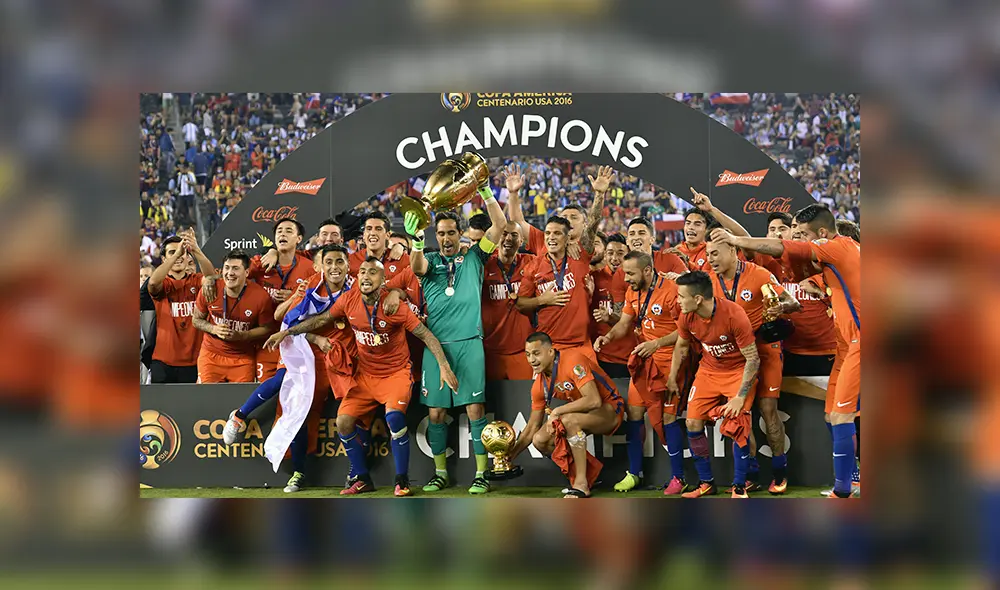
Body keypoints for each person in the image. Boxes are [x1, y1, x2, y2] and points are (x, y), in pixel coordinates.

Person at [270, 258, 457, 496]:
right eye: (363, 273)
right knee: (343, 422)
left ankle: (402, 480)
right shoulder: (349, 300)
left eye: (373, 273)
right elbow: (321, 319)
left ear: (383, 281)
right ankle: (362, 477)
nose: (366, 277)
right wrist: (286, 331)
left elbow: (426, 335)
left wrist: (444, 366)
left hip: (395, 374)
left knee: (395, 419)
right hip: (365, 375)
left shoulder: (395, 307)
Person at [710, 203, 860, 499]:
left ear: (820, 234)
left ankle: (844, 490)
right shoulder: (837, 261)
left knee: (843, 417)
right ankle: (853, 477)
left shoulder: (838, 247)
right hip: (845, 345)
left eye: (802, 234)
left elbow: (780, 246)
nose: (797, 238)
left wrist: (736, 240)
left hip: (859, 342)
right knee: (832, 415)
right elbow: (825, 285)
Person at [223, 245, 369, 492]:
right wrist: (316, 339)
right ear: (320, 266)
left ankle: (360, 472)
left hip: (341, 358)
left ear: (347, 265)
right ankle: (299, 472)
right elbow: (289, 320)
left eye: (339, 262)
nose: (334, 268)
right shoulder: (310, 286)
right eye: (329, 262)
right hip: (306, 353)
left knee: (358, 411)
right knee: (298, 412)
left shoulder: (357, 287)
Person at [405, 179, 506, 495]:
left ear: (459, 234)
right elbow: (416, 264)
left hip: (469, 345)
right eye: (441, 233)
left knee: (475, 410)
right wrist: (418, 240)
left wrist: (486, 191)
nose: (446, 238)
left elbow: (500, 226)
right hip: (437, 349)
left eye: (451, 232)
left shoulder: (475, 257)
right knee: (435, 414)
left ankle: (480, 474)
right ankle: (440, 473)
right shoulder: (430, 261)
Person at [704, 230, 800, 494]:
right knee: (742, 414)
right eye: (708, 254)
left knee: (768, 409)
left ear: (732, 252)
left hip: (764, 348)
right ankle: (751, 473)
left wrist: (781, 307)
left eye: (715, 254)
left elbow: (792, 302)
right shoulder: (709, 282)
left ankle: (780, 473)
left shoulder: (758, 274)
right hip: (735, 358)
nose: (710, 259)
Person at [594, 251, 688, 494]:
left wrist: (656, 344)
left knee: (668, 419)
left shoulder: (671, 291)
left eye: (631, 273)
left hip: (671, 363)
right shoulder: (632, 291)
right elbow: (625, 323)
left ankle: (679, 477)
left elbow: (686, 332)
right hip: (645, 364)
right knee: (634, 413)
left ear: (647, 271)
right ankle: (635, 473)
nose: (626, 278)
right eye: (625, 273)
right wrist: (608, 336)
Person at [666, 271, 761, 499]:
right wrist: (671, 377)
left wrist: (739, 396)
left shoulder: (733, 314)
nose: (677, 300)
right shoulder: (686, 316)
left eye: (681, 296)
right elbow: (681, 346)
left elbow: (753, 358)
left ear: (698, 299)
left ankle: (739, 486)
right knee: (692, 422)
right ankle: (706, 482)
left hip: (738, 370)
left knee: (738, 422)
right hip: (708, 370)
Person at [508, 332, 625, 498]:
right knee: (540, 440)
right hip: (583, 415)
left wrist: (557, 411)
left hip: (611, 409)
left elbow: (594, 400)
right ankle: (589, 475)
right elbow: (531, 428)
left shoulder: (573, 361)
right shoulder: (539, 385)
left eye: (536, 353)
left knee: (568, 420)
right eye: (527, 354)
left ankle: (581, 484)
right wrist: (509, 457)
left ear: (550, 351)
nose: (531, 360)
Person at [515, 166, 612, 361]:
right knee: (546, 392)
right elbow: (520, 304)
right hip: (547, 347)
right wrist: (543, 300)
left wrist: (599, 194)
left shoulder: (579, 255)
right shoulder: (534, 265)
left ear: (568, 238)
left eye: (557, 233)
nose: (551, 237)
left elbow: (592, 223)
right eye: (548, 233)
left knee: (590, 392)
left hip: (580, 345)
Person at [246, 219, 317, 381]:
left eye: (288, 231)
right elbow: (233, 276)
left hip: (295, 341)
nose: (283, 234)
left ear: (299, 239)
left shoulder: (309, 268)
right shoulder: (261, 263)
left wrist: (294, 298)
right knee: (265, 391)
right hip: (265, 341)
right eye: (279, 231)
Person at [192, 251, 276, 383]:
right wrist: (213, 329)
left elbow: (267, 328)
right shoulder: (210, 289)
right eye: (227, 268)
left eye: (235, 268)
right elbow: (196, 320)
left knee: (240, 402)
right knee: (206, 399)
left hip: (242, 358)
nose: (230, 273)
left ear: (247, 273)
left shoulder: (261, 296)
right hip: (211, 355)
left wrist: (243, 335)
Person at [147, 232, 216, 383]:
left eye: (182, 252)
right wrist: (176, 255)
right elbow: (152, 283)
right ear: (164, 259)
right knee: (160, 406)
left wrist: (196, 249)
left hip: (195, 360)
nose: (178, 256)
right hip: (163, 362)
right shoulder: (164, 283)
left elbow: (212, 278)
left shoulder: (196, 281)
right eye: (172, 252)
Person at [481, 219, 535, 381]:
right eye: (504, 234)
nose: (508, 239)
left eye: (514, 235)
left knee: (524, 403)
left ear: (522, 241)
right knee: (493, 404)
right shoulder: (483, 265)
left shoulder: (531, 263)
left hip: (523, 350)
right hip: (491, 350)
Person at [589, 233, 633, 378]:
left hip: (631, 354)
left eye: (620, 253)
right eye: (610, 253)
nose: (615, 258)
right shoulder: (594, 278)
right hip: (603, 356)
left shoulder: (635, 280)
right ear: (604, 255)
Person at [348, 211, 410, 281]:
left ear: (388, 235)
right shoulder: (350, 261)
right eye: (369, 229)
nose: (373, 233)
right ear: (364, 235)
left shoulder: (402, 260)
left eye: (378, 229)